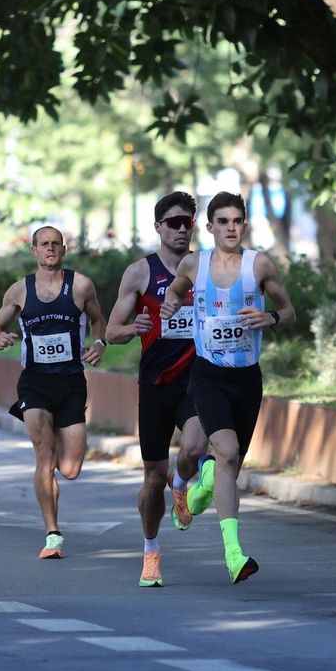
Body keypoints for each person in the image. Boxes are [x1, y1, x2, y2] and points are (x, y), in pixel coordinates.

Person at [162, 191, 297, 584]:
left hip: (246, 378)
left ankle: (200, 495)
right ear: (210, 227)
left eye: (237, 221)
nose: (231, 228)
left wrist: (269, 317)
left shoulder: (259, 265)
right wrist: (171, 305)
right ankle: (234, 555)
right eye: (223, 221)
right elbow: (174, 293)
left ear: (245, 225)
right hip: (208, 374)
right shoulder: (194, 263)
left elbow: (289, 312)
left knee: (229, 465)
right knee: (227, 449)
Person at [104, 191, 210, 588]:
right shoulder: (139, 273)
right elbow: (111, 330)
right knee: (152, 479)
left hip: (198, 379)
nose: (182, 230)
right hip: (154, 386)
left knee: (197, 447)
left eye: (188, 223)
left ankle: (181, 485)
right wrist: (134, 328)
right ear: (159, 227)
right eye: (174, 223)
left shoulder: (206, 267)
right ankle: (150, 550)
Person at [0, 226, 109, 559]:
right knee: (44, 458)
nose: (50, 249)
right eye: (44, 244)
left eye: (56, 244)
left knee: (69, 469)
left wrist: (99, 343)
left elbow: (99, 321)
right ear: (34, 250)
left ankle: (54, 447)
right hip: (35, 382)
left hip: (71, 383)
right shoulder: (19, 291)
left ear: (64, 250)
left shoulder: (81, 286)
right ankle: (52, 535)